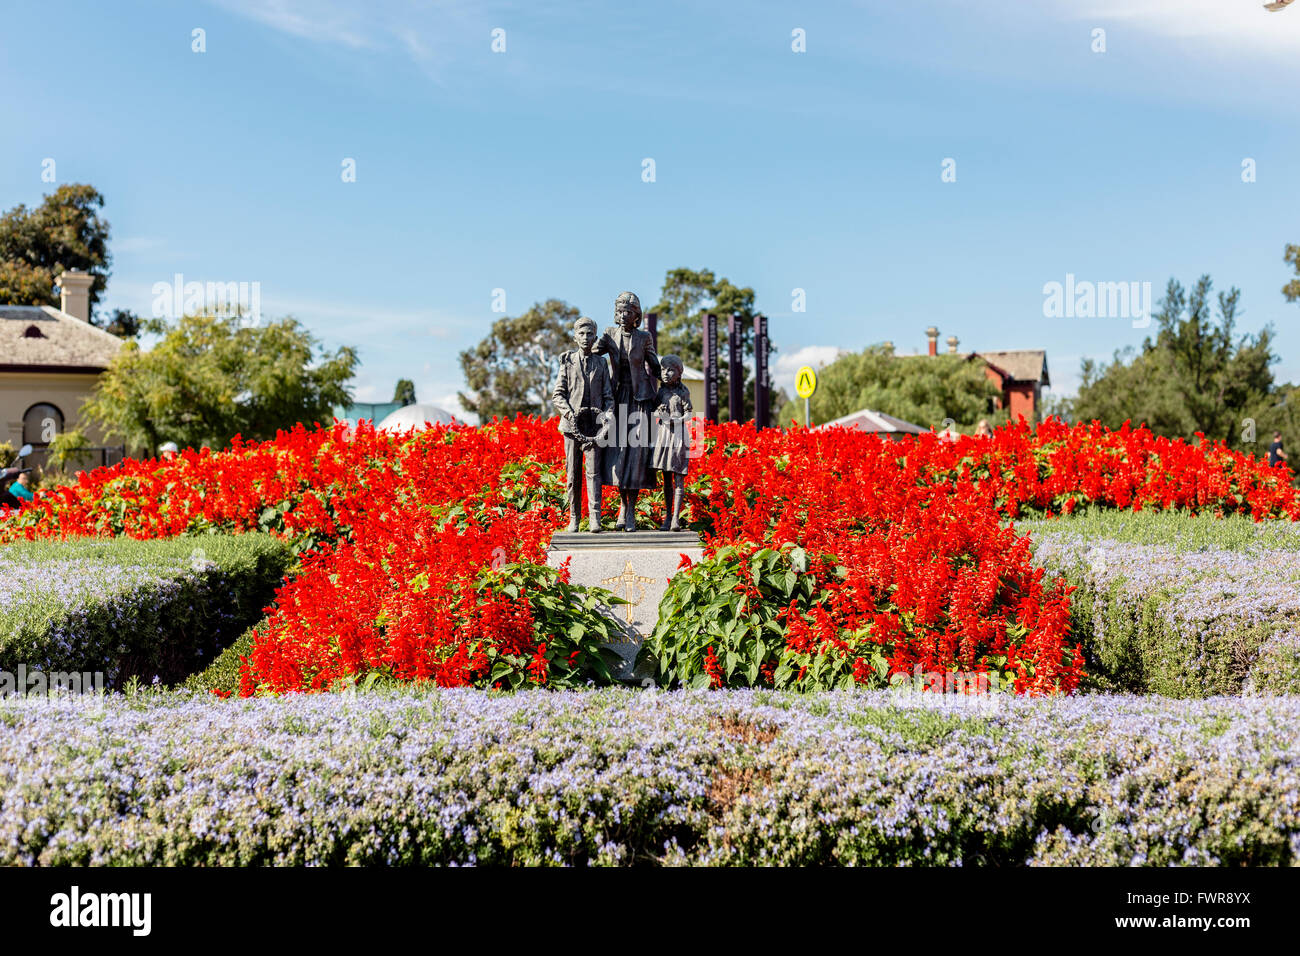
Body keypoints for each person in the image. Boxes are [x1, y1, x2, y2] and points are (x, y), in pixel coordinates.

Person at [595, 291, 661, 532]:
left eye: (629, 312)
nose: (623, 315)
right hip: (616, 399)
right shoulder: (609, 334)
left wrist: (669, 379)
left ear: (636, 316)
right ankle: (622, 507)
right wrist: (573, 357)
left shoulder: (644, 337)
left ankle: (630, 510)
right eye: (620, 311)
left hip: (640, 401)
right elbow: (592, 351)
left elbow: (654, 364)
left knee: (636, 457)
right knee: (618, 455)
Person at [553, 316, 614, 533]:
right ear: (574, 337)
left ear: (595, 337)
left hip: (594, 429)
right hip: (571, 428)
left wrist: (607, 414)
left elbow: (608, 396)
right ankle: (574, 518)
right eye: (581, 333)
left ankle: (595, 518)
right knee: (572, 475)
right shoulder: (567, 361)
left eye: (589, 334)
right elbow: (558, 395)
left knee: (594, 474)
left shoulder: (600, 363)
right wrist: (570, 415)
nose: (585, 338)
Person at [652, 355, 693, 531]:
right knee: (666, 479)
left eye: (670, 370)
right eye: (663, 370)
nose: (666, 373)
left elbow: (689, 413)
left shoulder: (683, 392)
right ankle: (668, 517)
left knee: (678, 478)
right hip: (663, 435)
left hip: (677, 437)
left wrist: (676, 420)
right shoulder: (661, 392)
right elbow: (654, 411)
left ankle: (676, 518)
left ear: (679, 373)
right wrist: (659, 414)